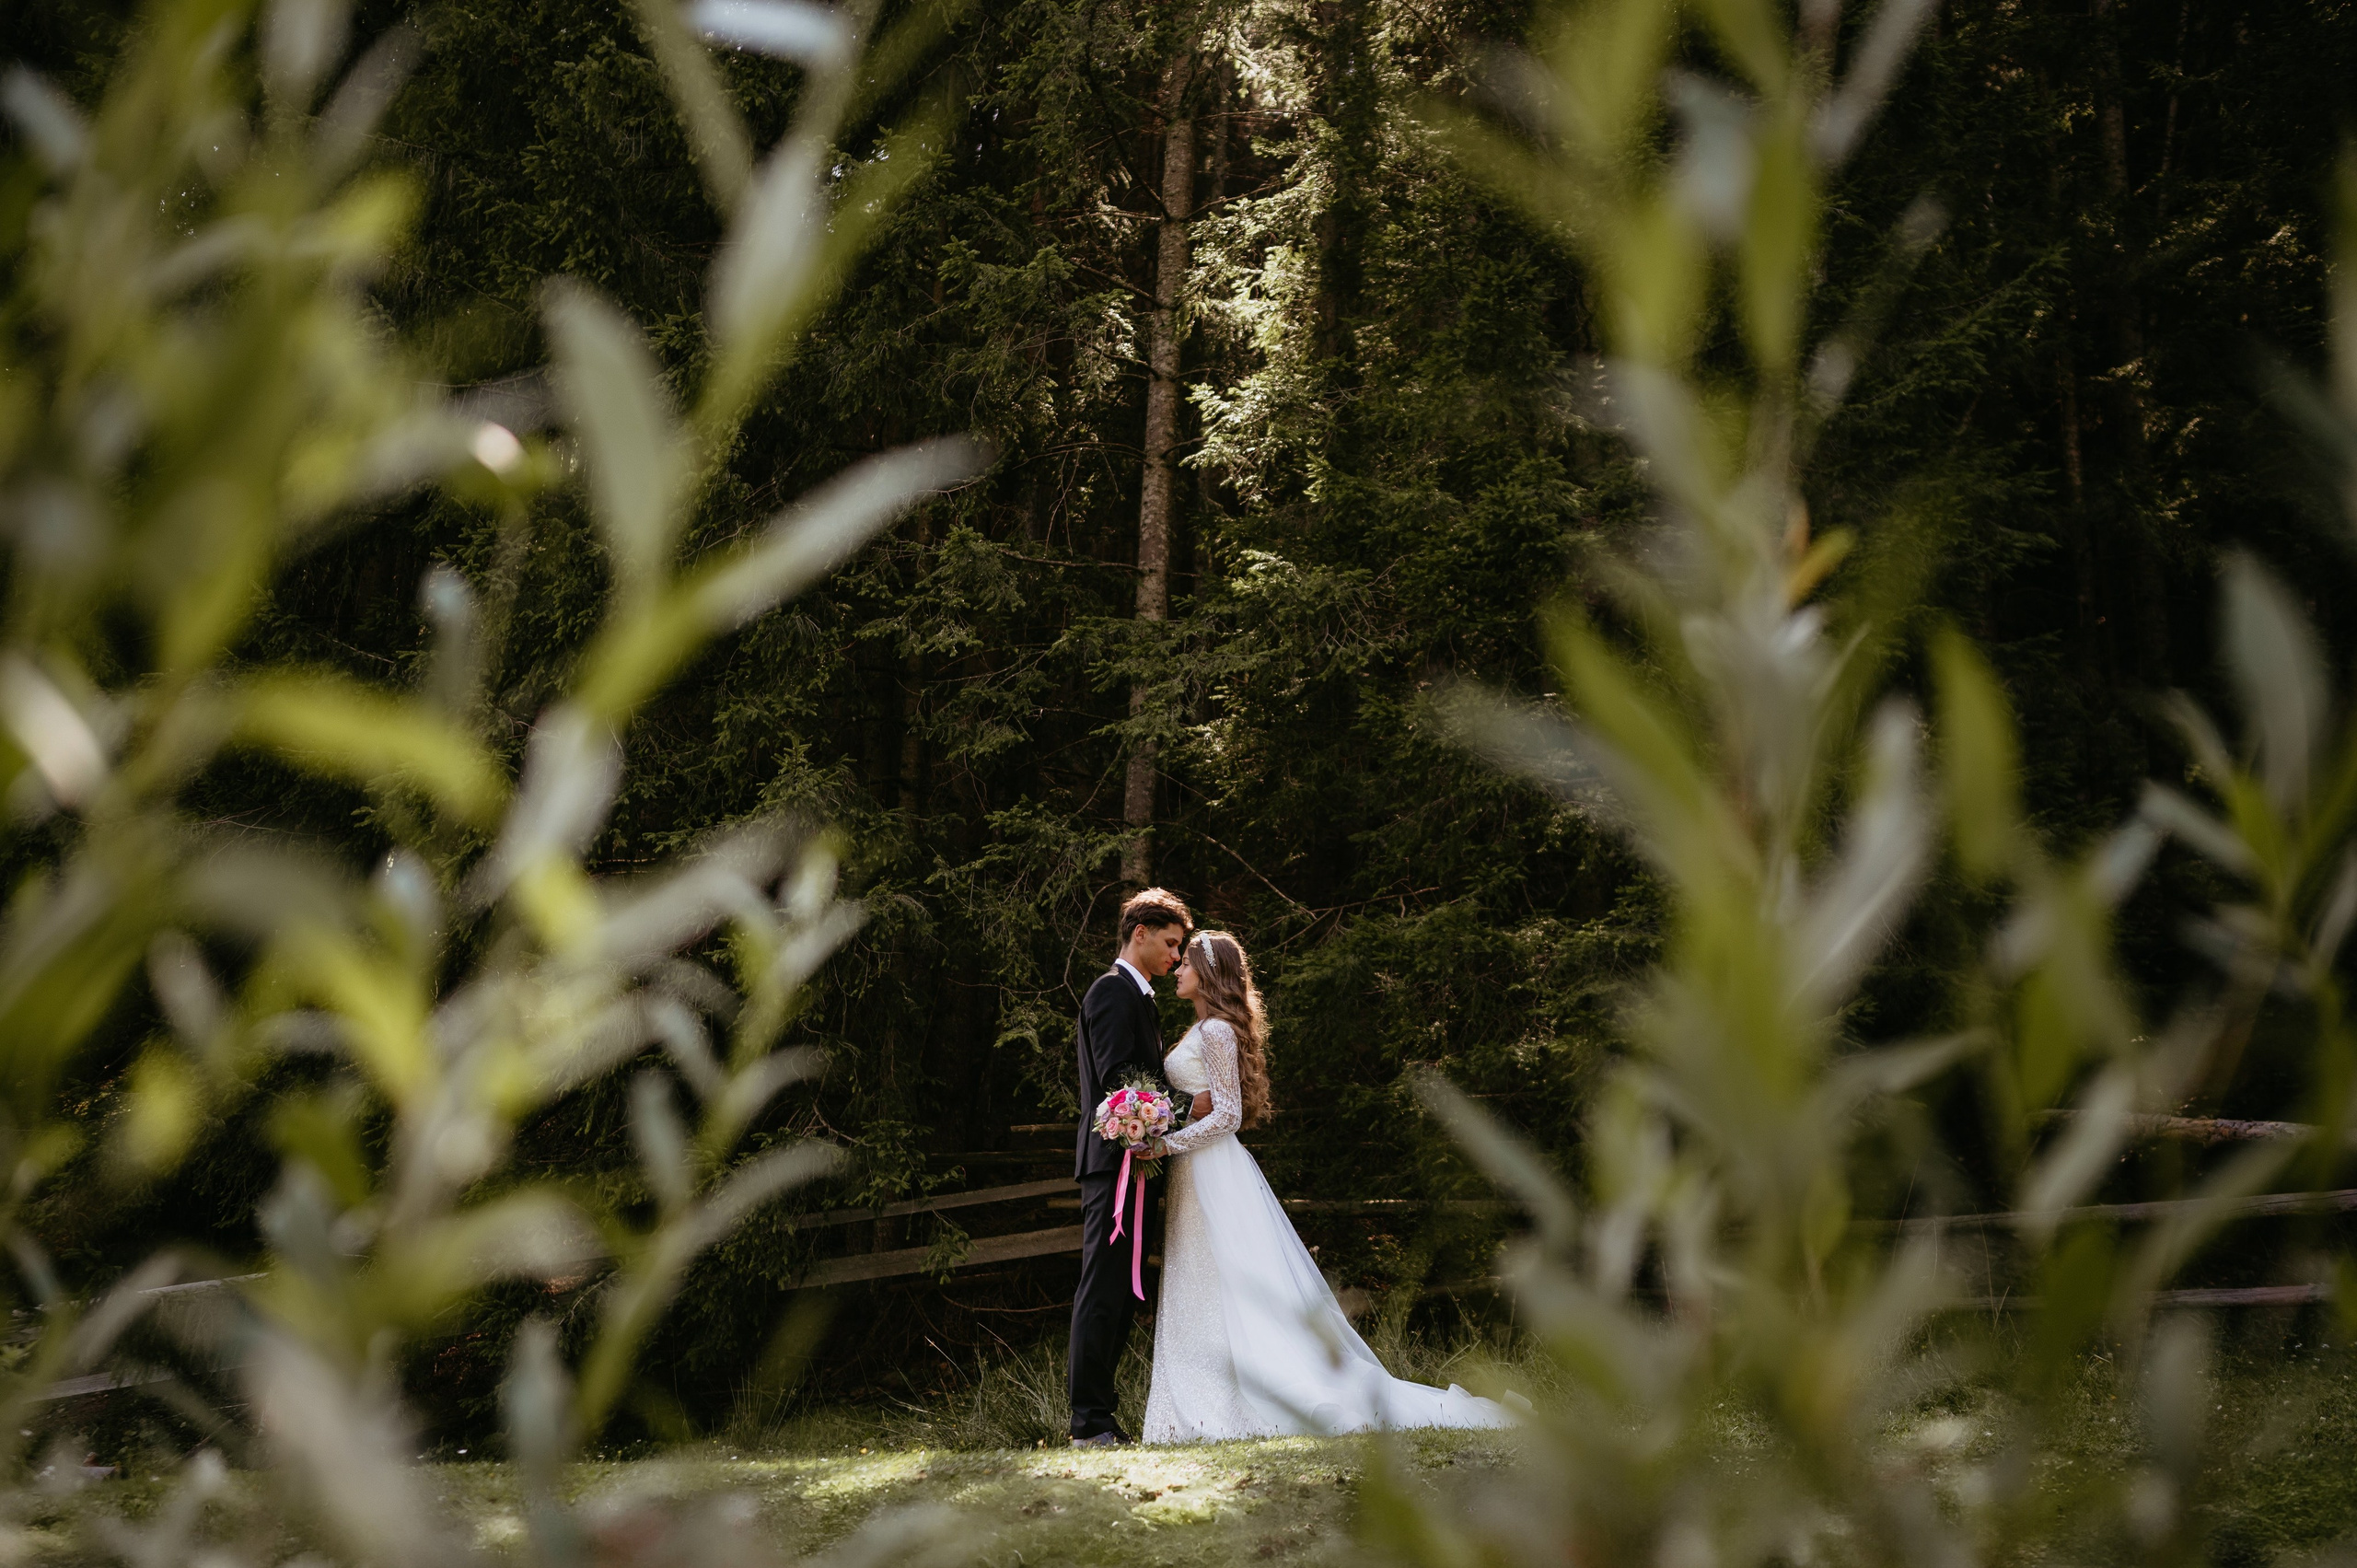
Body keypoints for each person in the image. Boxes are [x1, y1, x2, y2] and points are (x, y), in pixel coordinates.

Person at [1140, 929, 1516, 1443]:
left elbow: (1228, 1115)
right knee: (1203, 1284)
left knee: (1226, 1283)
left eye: (1186, 964)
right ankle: (1200, 1404)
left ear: (1208, 973)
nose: (1177, 970)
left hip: (1213, 1172)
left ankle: (1240, 1402)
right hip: (1194, 1172)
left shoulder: (1217, 1033)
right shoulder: (1201, 1029)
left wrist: (1165, 1145)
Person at [1066, 887, 1191, 1446]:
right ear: (1138, 933)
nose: (1176, 956)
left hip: (1136, 1161)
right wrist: (1186, 1108)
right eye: (1169, 943)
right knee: (1102, 1290)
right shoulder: (1111, 993)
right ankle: (1086, 1420)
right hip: (1115, 1163)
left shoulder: (1140, 997)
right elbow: (1119, 1079)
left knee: (1121, 1295)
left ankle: (1102, 1417)